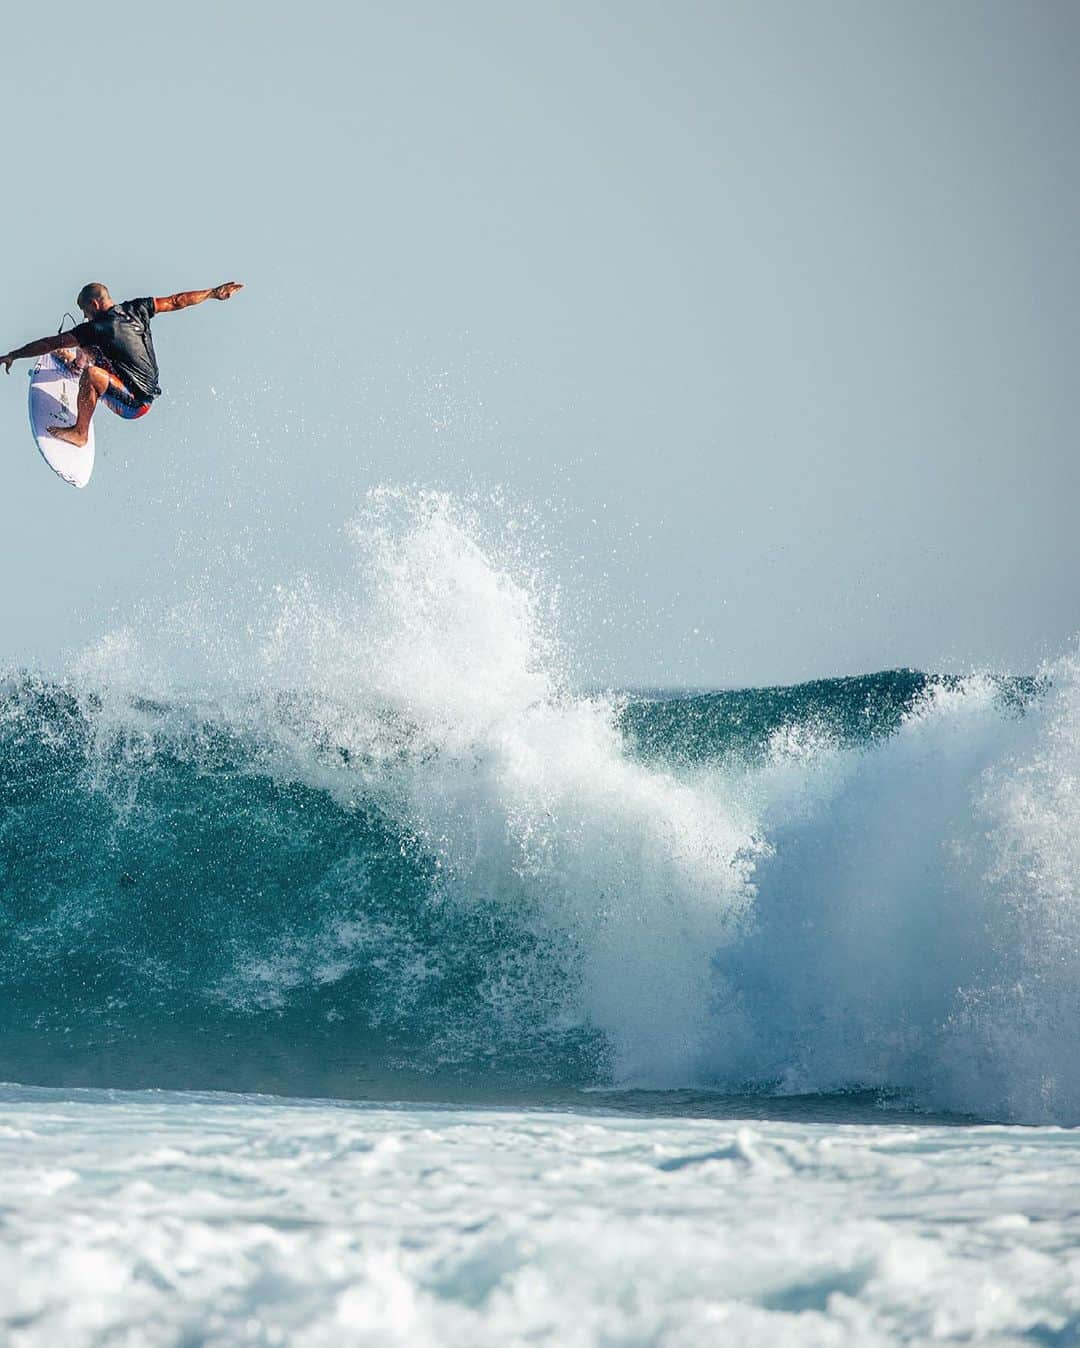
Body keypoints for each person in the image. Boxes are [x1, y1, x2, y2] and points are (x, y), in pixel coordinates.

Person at [1, 281, 244, 446]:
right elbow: (177, 300)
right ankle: (76, 366)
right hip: (130, 381)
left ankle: (80, 433)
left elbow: (48, 343)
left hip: (135, 402)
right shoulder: (136, 308)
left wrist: (14, 354)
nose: (85, 315)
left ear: (94, 305)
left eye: (85, 310)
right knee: (82, 346)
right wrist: (213, 292)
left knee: (92, 371)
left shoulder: (96, 327)